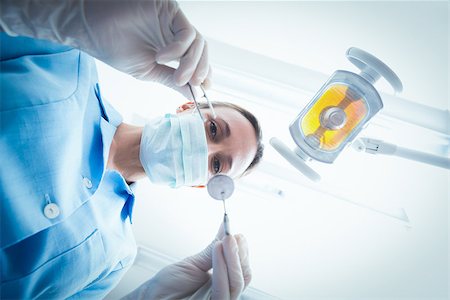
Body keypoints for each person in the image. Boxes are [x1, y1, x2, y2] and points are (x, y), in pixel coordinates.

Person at [0, 0, 263, 299]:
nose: (205, 149)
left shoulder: (116, 257)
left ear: (202, 184)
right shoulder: (67, 58)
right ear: (188, 106)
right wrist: (64, 10)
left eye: (217, 165)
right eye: (213, 130)